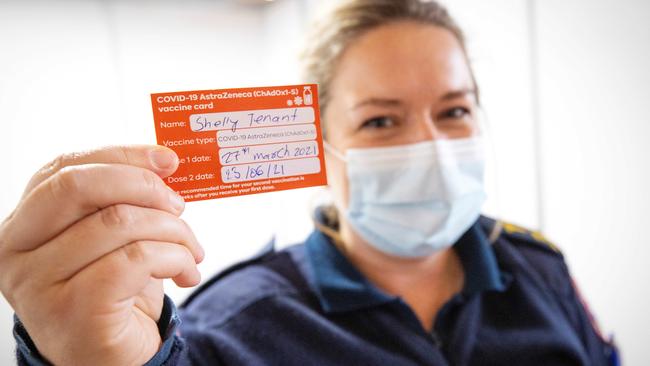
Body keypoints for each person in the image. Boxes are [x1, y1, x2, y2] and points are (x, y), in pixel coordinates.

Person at [0, 0, 619, 365]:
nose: (429, 146)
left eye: (454, 111)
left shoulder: (540, 269)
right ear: (319, 147)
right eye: (380, 120)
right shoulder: (234, 325)